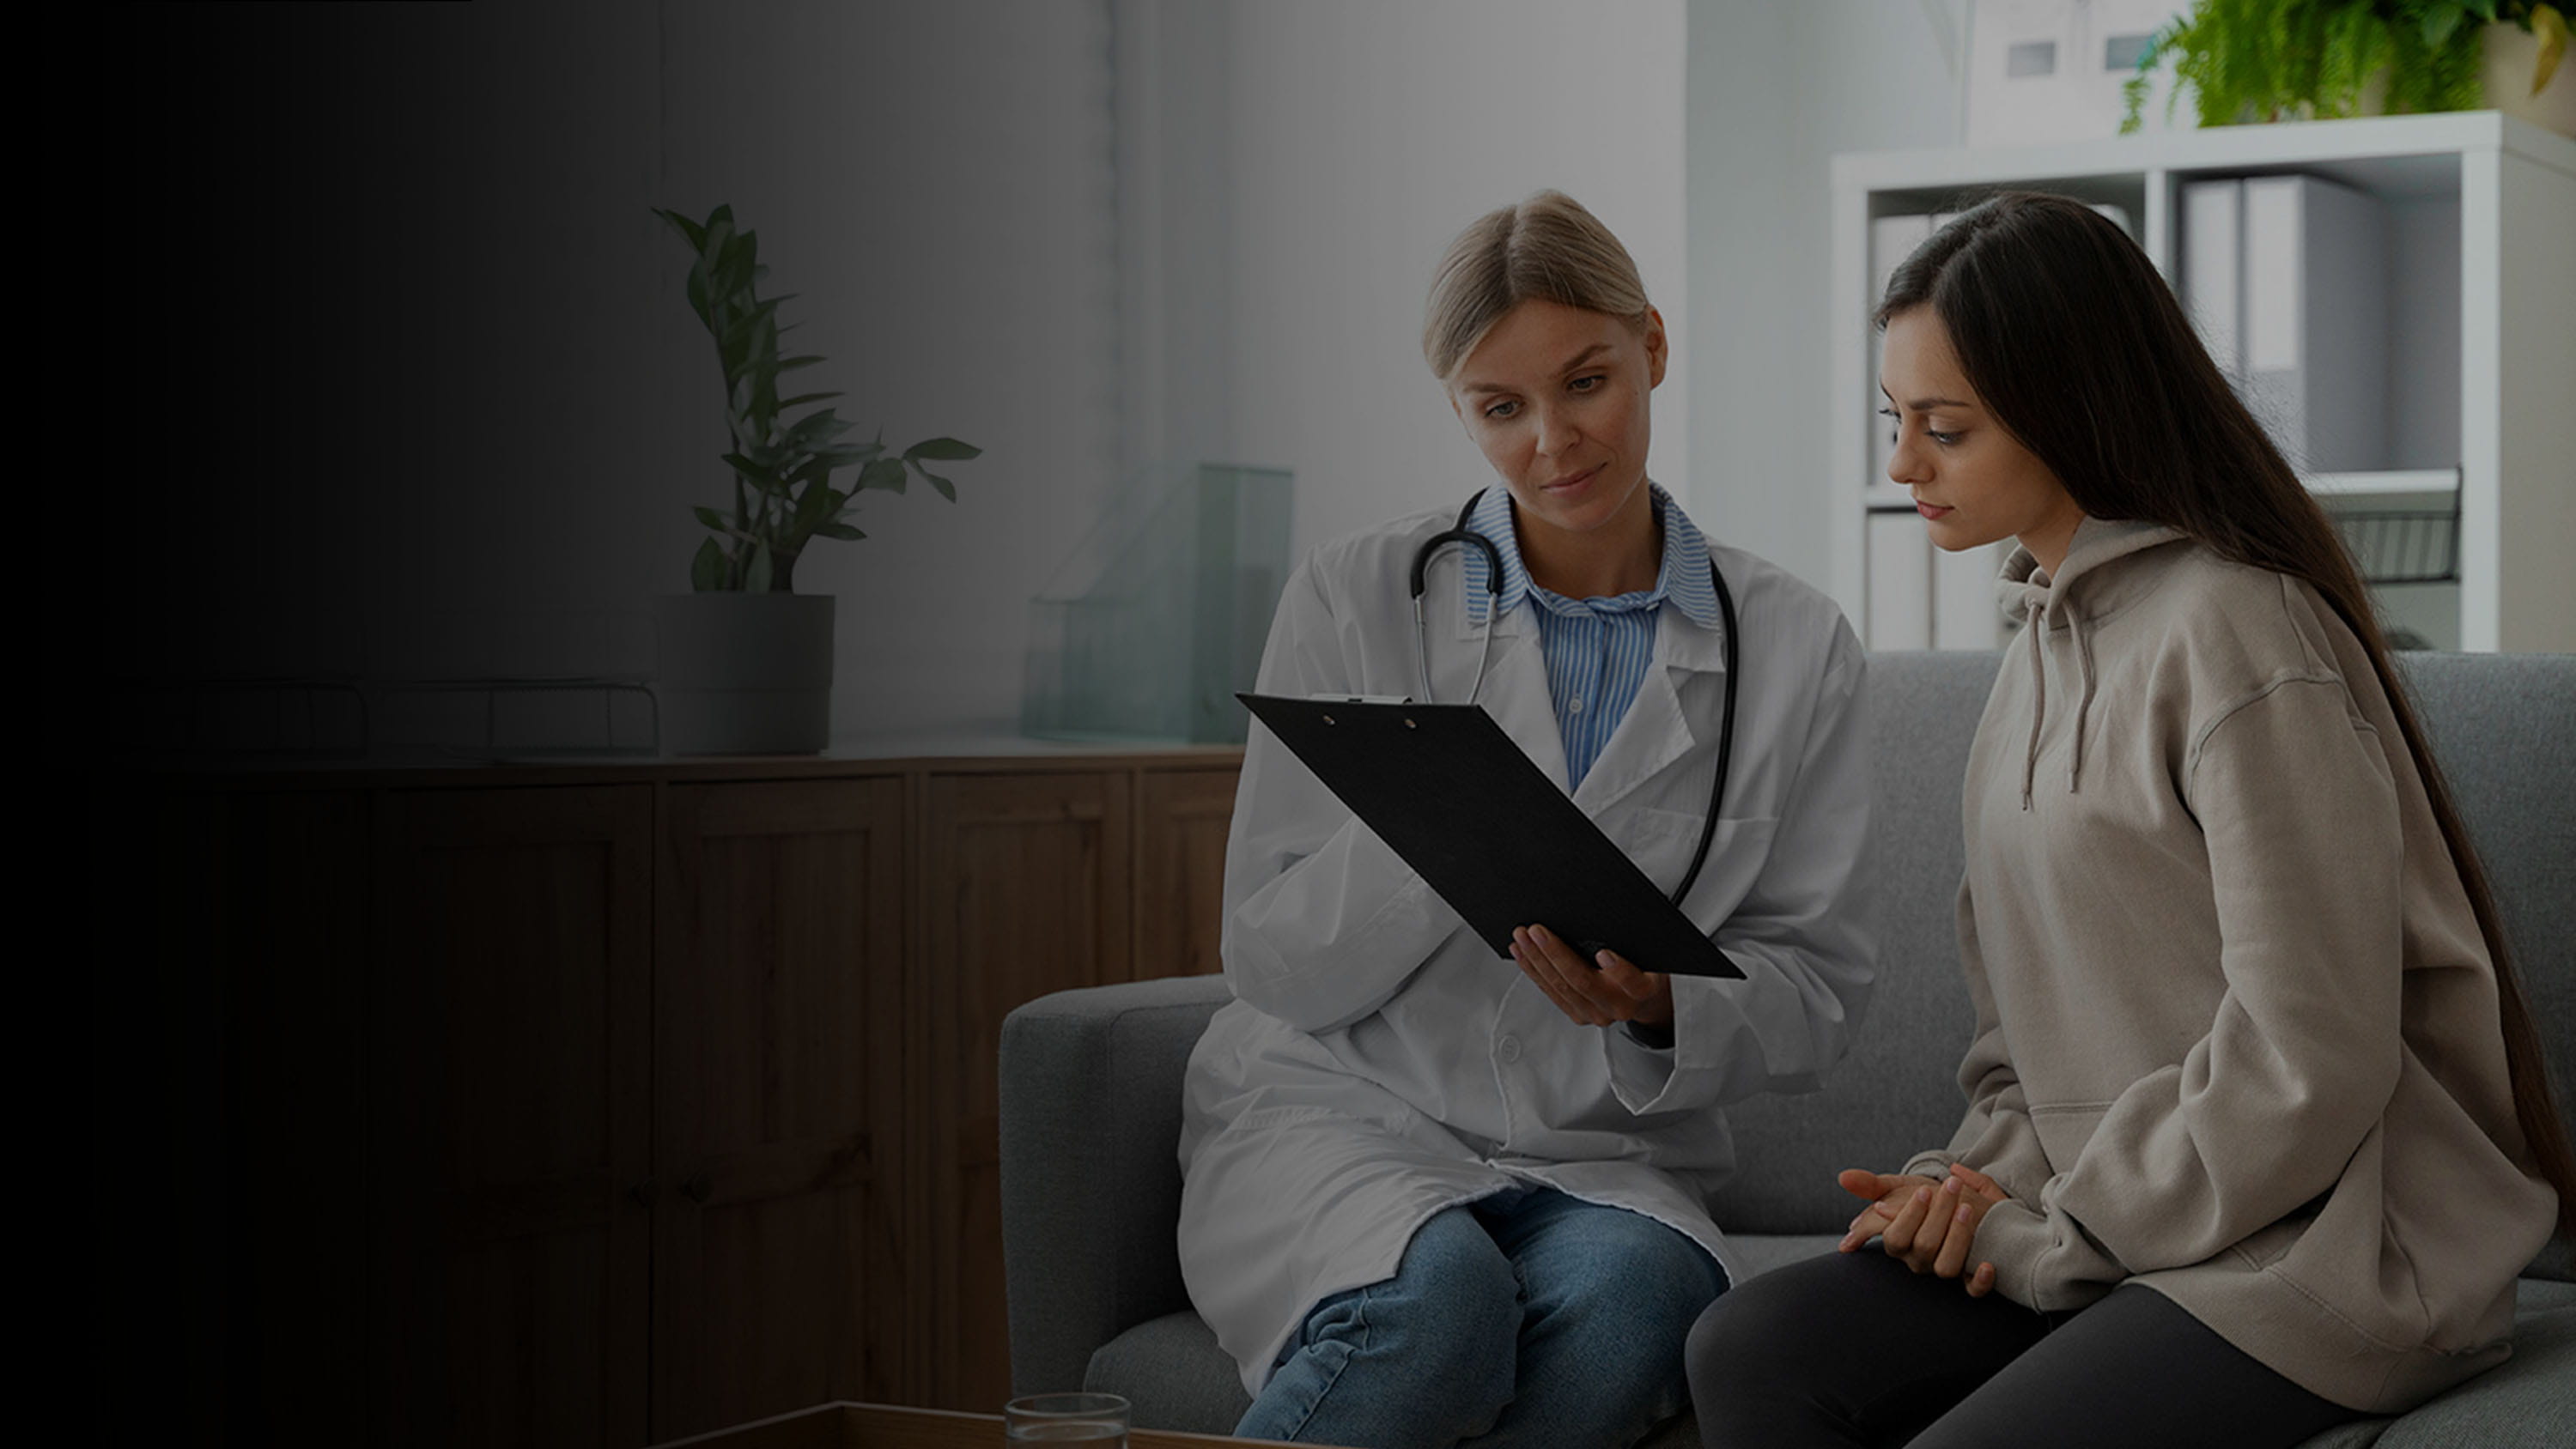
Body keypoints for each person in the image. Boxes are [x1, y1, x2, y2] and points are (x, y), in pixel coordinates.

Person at [1686, 190, 2576, 1449]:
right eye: (1896, 422)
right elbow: (2022, 1053)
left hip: (2312, 1244)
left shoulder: (2239, 631)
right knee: (1752, 1347)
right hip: (2115, 1225)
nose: (1901, 466)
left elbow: (2309, 1057)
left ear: (2068, 409)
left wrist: (2061, 1229)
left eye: (1946, 428)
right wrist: (1968, 1187)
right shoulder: (2032, 655)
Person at [1176, 190, 1881, 1448]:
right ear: (1459, 410)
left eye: (1588, 381)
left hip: (1599, 1152)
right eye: (1501, 409)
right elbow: (1270, 959)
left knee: (1634, 1312)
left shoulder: (1795, 642)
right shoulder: (1358, 595)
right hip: (1350, 1109)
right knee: (1434, 1304)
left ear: (1653, 347)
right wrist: (1435, 829)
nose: (1554, 440)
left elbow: (1821, 991)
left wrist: (1663, 1001)